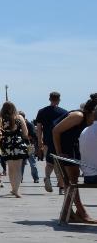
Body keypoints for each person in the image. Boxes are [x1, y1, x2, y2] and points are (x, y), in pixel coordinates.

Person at [52, 93, 97, 223]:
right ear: (91, 112)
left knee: (72, 179)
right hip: (62, 145)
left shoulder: (89, 121)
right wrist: (59, 152)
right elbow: (55, 131)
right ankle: (80, 212)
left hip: (71, 146)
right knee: (72, 178)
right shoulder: (78, 116)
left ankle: (69, 212)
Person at [35, 91, 68, 194]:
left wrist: (39, 142)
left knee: (49, 163)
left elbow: (39, 128)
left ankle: (48, 177)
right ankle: (61, 187)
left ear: (49, 99)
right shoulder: (64, 112)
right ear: (59, 100)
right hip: (60, 140)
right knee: (59, 164)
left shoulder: (42, 111)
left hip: (47, 141)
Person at [0, 102, 29, 197]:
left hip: (6, 144)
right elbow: (26, 133)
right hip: (18, 143)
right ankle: (16, 190)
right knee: (18, 168)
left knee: (10, 168)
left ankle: (13, 189)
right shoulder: (19, 117)